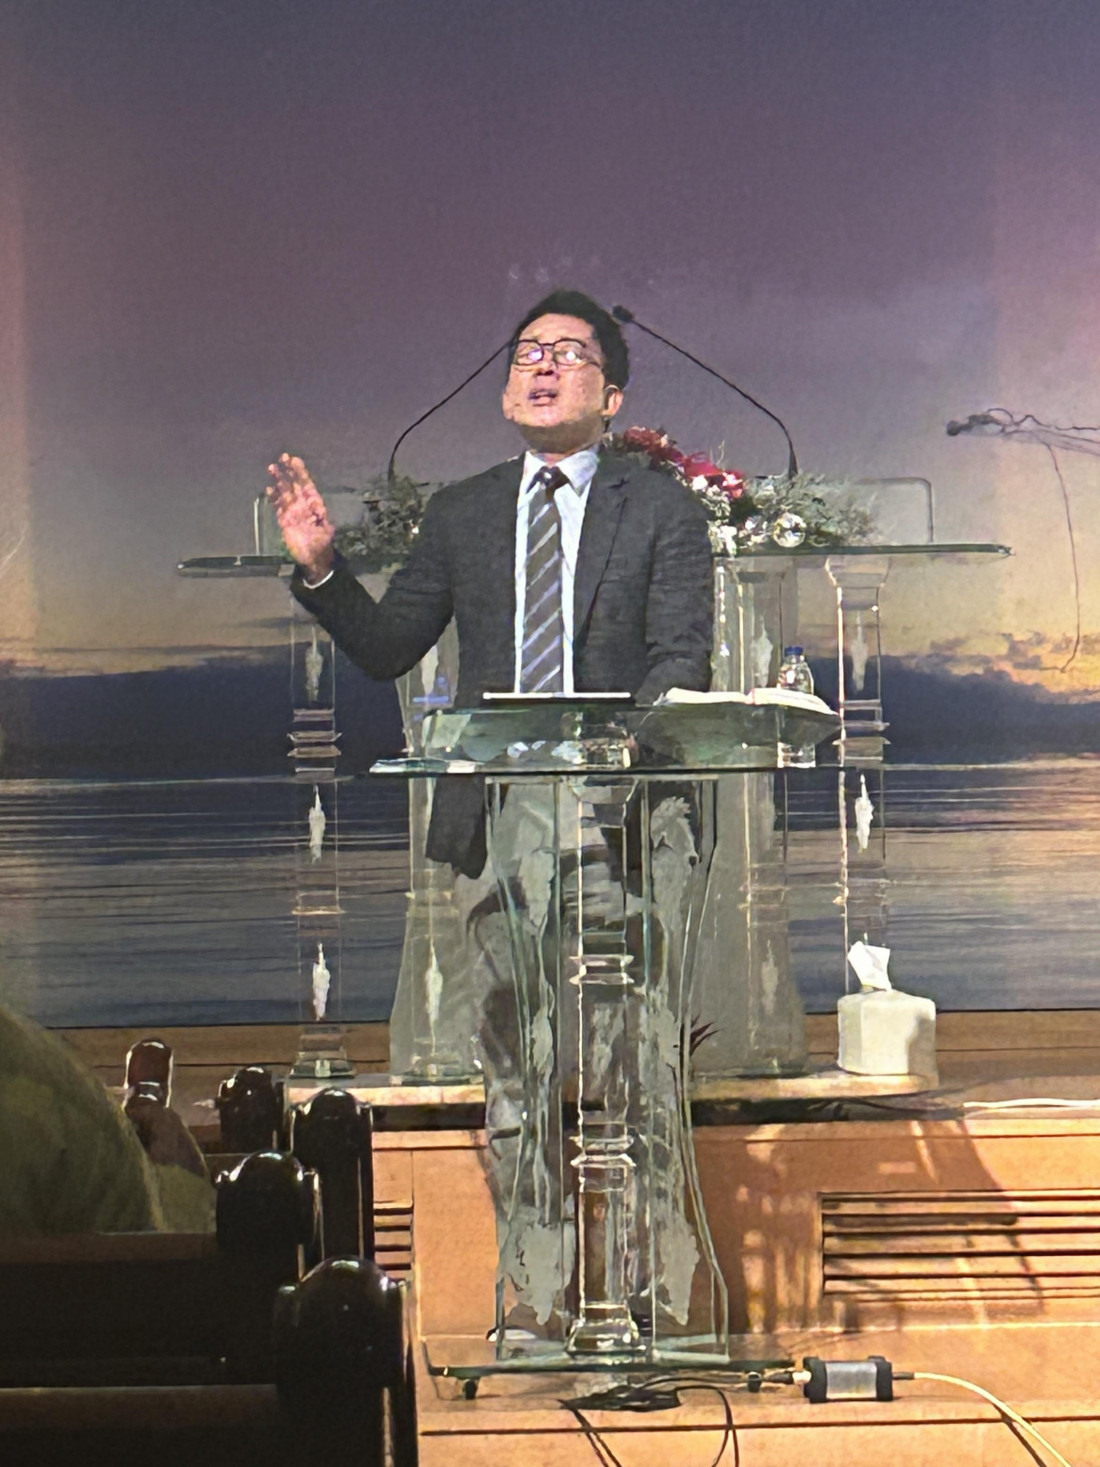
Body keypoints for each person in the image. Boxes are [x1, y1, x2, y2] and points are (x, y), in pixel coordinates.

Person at [266, 289, 714, 874]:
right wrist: (321, 566)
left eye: (569, 353)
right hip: (490, 812)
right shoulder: (461, 511)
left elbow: (682, 659)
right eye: (528, 354)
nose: (544, 367)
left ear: (611, 399)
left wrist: (624, 749)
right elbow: (386, 648)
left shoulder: (662, 508)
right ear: (507, 398)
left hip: (619, 807)